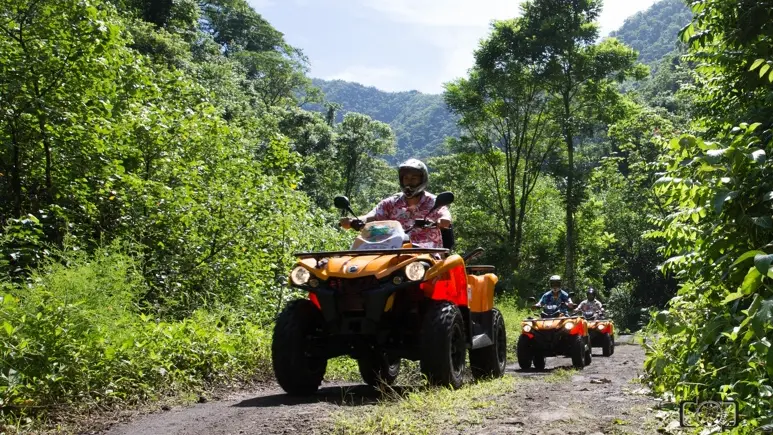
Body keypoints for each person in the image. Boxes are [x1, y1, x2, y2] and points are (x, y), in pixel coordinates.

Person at [339, 159, 451, 249]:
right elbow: (373, 216)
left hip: (426, 254)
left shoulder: (433, 201)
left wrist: (444, 220)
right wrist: (354, 221)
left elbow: (444, 213)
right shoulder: (392, 202)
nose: (409, 182)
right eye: (406, 178)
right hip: (393, 252)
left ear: (422, 180)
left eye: (414, 178)